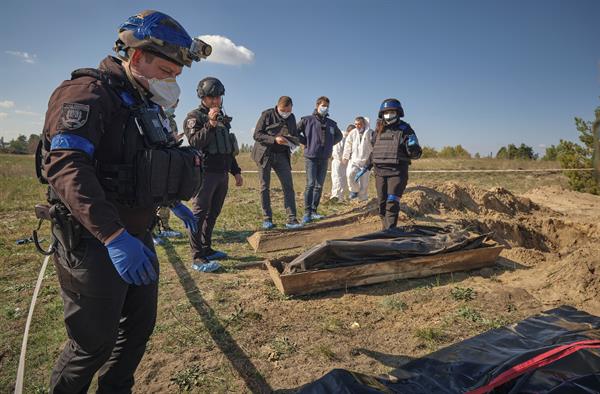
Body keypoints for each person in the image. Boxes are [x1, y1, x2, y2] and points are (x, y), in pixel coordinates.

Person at [37, 10, 208, 392]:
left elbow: (146, 164)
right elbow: (66, 167)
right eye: (166, 70)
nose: (172, 81)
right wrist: (114, 237)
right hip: (95, 241)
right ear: (136, 58)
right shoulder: (87, 93)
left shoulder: (141, 102)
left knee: (134, 335)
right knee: (92, 345)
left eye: (177, 75)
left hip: (137, 235)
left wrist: (169, 201)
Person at [183, 77, 243, 269]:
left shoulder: (223, 119)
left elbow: (227, 149)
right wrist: (209, 123)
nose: (216, 101)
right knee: (198, 215)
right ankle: (197, 256)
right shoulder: (195, 117)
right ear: (203, 98)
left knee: (213, 213)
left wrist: (236, 172)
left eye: (218, 97)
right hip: (204, 174)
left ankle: (207, 248)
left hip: (222, 173)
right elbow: (195, 142)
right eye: (212, 97)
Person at [357, 98, 422, 230]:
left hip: (397, 173)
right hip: (380, 172)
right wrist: (366, 166)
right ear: (382, 113)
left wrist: (413, 147)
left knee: (391, 203)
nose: (389, 114)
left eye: (392, 111)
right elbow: (375, 152)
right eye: (386, 112)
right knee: (382, 204)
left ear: (398, 112)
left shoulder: (405, 129)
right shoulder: (378, 130)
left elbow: (415, 154)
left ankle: (390, 230)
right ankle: (386, 230)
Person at [252, 96, 303, 229]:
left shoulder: (291, 118)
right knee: (264, 186)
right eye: (282, 111)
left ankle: (292, 219)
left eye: (288, 110)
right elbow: (257, 134)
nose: (285, 113)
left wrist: (292, 140)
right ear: (277, 107)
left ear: (291, 107)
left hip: (282, 155)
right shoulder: (267, 115)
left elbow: (295, 135)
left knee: (288, 186)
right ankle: (267, 219)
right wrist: (274, 139)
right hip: (265, 153)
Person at [297, 96, 343, 223]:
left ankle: (314, 210)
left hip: (324, 157)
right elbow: (295, 132)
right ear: (317, 105)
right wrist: (306, 141)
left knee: (319, 186)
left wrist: (329, 144)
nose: (325, 108)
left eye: (327, 106)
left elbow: (339, 136)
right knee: (311, 184)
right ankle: (307, 213)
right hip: (311, 157)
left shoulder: (332, 123)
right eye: (323, 105)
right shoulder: (307, 120)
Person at [344, 116, 374, 201]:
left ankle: (363, 199)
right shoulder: (352, 133)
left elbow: (374, 145)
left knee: (364, 182)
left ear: (364, 124)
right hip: (354, 160)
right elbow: (348, 145)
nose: (357, 126)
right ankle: (354, 191)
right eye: (356, 124)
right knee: (350, 174)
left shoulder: (370, 133)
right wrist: (345, 156)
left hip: (366, 161)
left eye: (359, 124)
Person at [330, 124, 353, 202]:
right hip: (338, 161)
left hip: (344, 162)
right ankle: (335, 197)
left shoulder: (348, 138)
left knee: (343, 180)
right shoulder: (342, 136)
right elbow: (337, 150)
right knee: (337, 179)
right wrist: (342, 158)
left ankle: (340, 198)